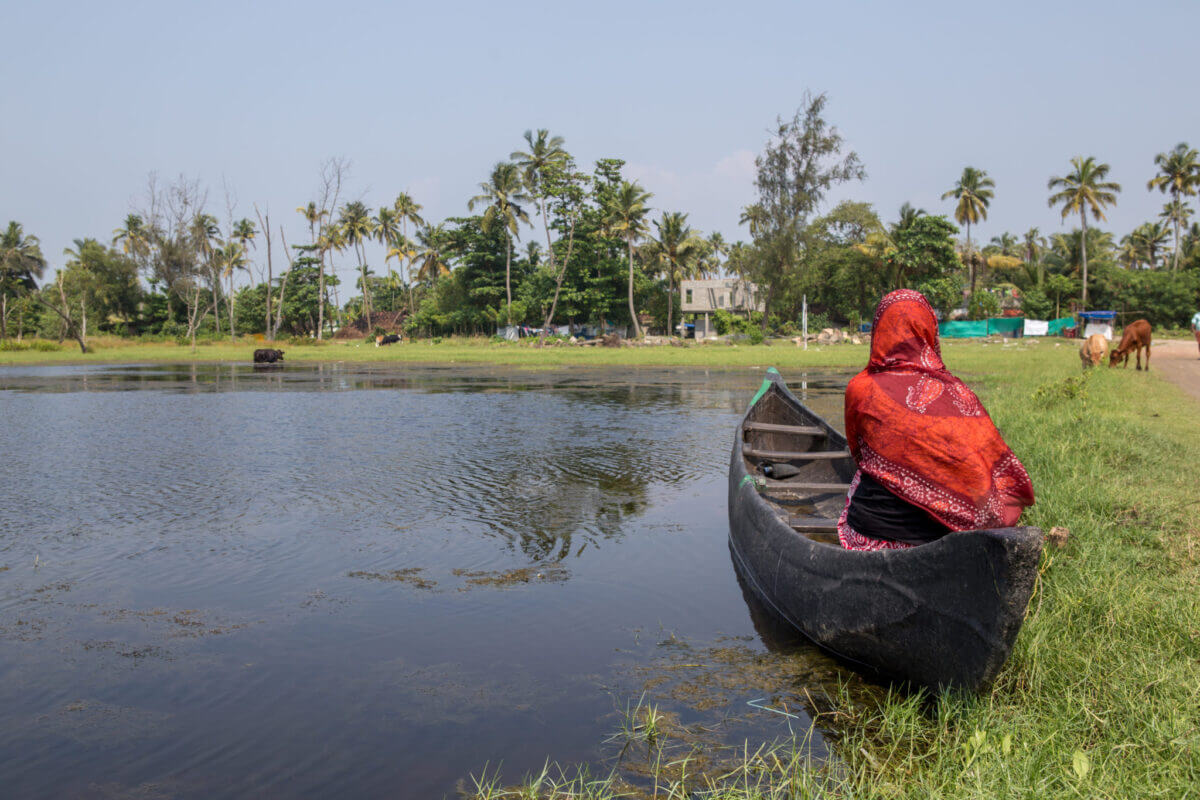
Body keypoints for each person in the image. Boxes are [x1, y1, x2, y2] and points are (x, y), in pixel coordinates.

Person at [837, 289, 1035, 551]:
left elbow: (858, 455)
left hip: (869, 534)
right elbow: (987, 468)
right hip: (940, 540)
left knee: (864, 472)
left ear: (878, 331)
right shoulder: (958, 393)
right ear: (929, 330)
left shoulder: (860, 388)